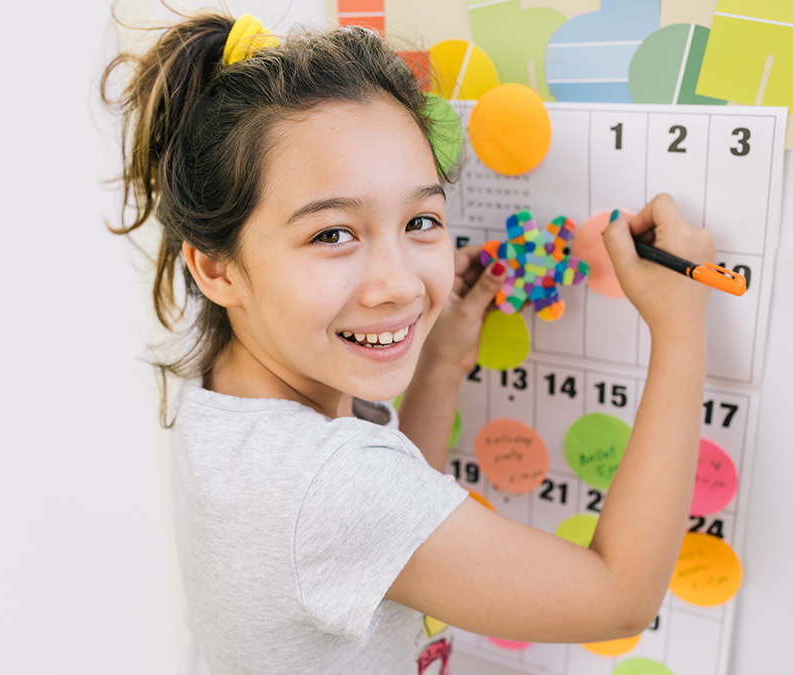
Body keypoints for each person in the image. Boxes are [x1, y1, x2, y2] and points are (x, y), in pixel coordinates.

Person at [101, 10, 714, 675]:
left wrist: (440, 369)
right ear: (216, 267)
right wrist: (680, 328)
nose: (399, 284)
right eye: (334, 233)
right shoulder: (334, 486)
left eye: (421, 220)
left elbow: (382, 530)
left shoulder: (232, 405)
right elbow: (618, 596)